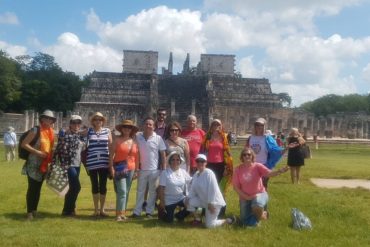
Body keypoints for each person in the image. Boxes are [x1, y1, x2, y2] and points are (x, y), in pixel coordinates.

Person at [232, 148, 289, 227]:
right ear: (242, 157)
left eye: (249, 154)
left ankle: (258, 215)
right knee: (244, 221)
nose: (247, 156)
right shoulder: (237, 169)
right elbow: (236, 187)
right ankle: (262, 214)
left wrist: (279, 171)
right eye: (244, 155)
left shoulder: (257, 166)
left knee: (257, 204)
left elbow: (269, 173)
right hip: (245, 197)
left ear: (252, 156)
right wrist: (247, 197)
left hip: (259, 194)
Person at [21, 109, 56, 220]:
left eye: (50, 119)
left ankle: (34, 210)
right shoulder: (36, 130)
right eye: (46, 118)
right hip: (33, 163)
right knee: (32, 188)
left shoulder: (51, 131)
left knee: (38, 188)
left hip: (43, 163)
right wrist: (37, 152)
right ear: (42, 119)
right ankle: (29, 213)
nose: (48, 120)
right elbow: (24, 144)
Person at [185, 154, 235, 228]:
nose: (200, 163)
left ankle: (228, 220)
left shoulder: (209, 173)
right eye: (198, 161)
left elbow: (213, 189)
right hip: (203, 201)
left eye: (202, 161)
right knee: (187, 201)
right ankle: (198, 219)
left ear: (206, 163)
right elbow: (193, 189)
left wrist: (210, 203)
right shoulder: (196, 174)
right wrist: (188, 198)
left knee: (210, 225)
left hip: (214, 202)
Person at [51, 115, 85, 217]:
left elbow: (83, 148)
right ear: (70, 124)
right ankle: (67, 209)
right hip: (68, 164)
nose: (76, 125)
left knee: (71, 188)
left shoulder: (79, 136)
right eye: (74, 123)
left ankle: (69, 210)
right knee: (76, 187)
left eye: (78, 123)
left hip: (77, 164)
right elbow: (60, 149)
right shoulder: (65, 135)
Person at [132, 117, 166, 218]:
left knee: (152, 192)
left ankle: (149, 212)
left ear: (154, 127)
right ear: (143, 125)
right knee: (140, 191)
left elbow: (163, 154)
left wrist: (163, 169)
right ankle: (137, 212)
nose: (148, 126)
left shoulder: (158, 138)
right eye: (146, 124)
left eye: (150, 124)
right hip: (141, 169)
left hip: (154, 170)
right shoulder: (138, 137)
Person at [109, 119, 139, 221]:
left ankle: (123, 214)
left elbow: (136, 157)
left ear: (132, 130)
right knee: (121, 191)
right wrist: (111, 168)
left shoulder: (134, 141)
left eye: (129, 127)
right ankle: (118, 214)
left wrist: (136, 171)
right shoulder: (117, 140)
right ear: (121, 129)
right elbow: (111, 155)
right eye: (125, 127)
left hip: (131, 168)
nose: (127, 129)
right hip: (119, 168)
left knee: (126, 191)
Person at [85, 112, 112, 217]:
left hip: (104, 162)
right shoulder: (89, 131)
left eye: (100, 119)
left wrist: (111, 161)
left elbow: (111, 145)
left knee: (103, 186)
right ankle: (96, 209)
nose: (98, 121)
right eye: (96, 119)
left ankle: (102, 209)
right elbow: (77, 132)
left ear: (103, 121)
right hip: (92, 162)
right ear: (93, 121)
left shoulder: (107, 131)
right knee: (94, 185)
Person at [245, 118, 284, 189]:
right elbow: (245, 151)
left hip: (264, 165)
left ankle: (262, 199)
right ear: (254, 126)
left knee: (263, 186)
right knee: (251, 186)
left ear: (264, 127)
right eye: (257, 125)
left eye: (261, 125)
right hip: (252, 165)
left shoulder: (267, 138)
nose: (259, 127)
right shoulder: (250, 138)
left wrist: (286, 149)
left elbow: (276, 151)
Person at [158, 151, 191, 223]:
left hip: (181, 198)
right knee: (169, 221)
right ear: (169, 161)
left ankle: (179, 215)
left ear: (180, 161)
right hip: (169, 200)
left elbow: (191, 182)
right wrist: (162, 202)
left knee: (192, 204)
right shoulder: (165, 172)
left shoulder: (183, 172)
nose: (175, 161)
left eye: (177, 159)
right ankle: (162, 212)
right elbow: (161, 188)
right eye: (173, 159)